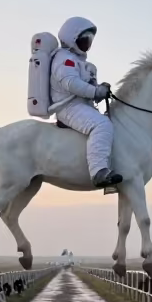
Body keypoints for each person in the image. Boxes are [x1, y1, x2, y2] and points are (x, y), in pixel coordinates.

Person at [50, 17, 123, 188]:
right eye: (84, 39)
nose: (87, 43)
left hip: (81, 105)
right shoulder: (64, 59)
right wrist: (95, 91)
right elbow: (70, 83)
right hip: (68, 107)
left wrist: (99, 91)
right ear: (71, 39)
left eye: (89, 40)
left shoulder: (81, 63)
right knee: (101, 125)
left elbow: (87, 89)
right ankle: (99, 172)